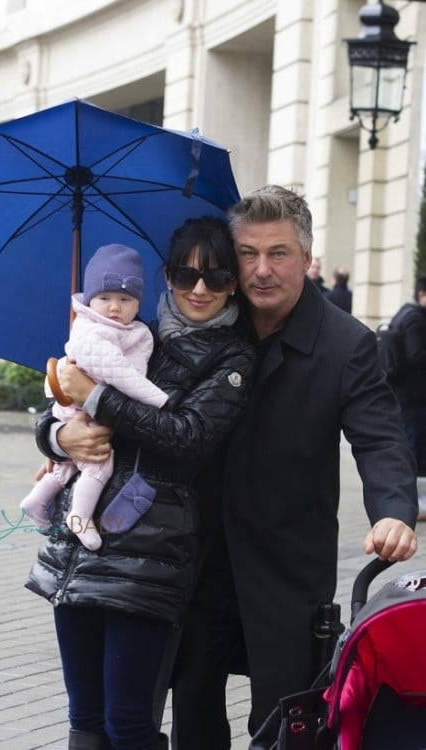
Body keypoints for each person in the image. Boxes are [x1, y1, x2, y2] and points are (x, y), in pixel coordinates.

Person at [168, 185, 418, 748]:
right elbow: (138, 397)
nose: (260, 270)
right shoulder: (208, 325)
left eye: (277, 254)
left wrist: (394, 511)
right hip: (202, 556)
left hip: (287, 567)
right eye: (248, 254)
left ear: (306, 259)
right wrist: (65, 435)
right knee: (193, 711)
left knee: (286, 723)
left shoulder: (346, 343)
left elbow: (380, 440)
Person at [25, 216, 256, 750]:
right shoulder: (129, 328)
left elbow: (186, 435)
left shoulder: (233, 356)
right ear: (167, 277)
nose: (200, 289)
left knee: (128, 723)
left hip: (147, 552)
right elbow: (56, 410)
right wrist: (58, 441)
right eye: (186, 274)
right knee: (84, 718)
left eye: (217, 277)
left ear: (232, 284)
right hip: (78, 546)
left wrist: (97, 396)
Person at [19, 243, 168, 549]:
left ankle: (36, 500)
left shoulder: (139, 334)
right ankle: (80, 516)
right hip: (74, 408)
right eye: (104, 298)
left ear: (138, 304)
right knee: (100, 462)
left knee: (69, 464)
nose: (114, 307)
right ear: (90, 300)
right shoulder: (86, 327)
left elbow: (135, 369)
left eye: (125, 299)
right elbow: (127, 379)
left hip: (94, 407)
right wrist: (158, 399)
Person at [388, 275, 426, 517]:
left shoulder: (405, 312)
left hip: (404, 394)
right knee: (413, 450)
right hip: (413, 396)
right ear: (422, 294)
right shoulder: (414, 319)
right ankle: (413, 503)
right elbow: (415, 356)